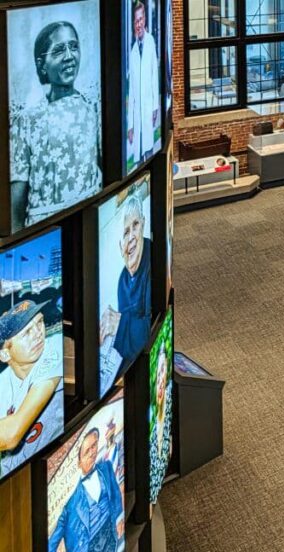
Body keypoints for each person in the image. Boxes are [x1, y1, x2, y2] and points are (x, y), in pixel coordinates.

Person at [10, 20, 102, 231]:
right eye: (59, 50)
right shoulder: (27, 120)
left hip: (89, 222)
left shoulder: (92, 109)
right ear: (42, 64)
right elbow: (16, 204)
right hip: (46, 230)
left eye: (74, 46)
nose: (69, 56)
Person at [0, 300, 63, 476]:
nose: (38, 334)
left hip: (50, 465)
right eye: (27, 332)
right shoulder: (2, 383)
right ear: (5, 353)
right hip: (13, 480)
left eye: (40, 322)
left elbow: (12, 433)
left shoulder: (53, 349)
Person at [100, 192, 152, 393]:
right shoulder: (123, 279)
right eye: (125, 232)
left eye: (135, 226)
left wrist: (119, 324)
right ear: (120, 246)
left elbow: (150, 329)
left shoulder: (153, 258)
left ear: (144, 224)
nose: (131, 237)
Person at [126, 0, 160, 167]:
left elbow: (154, 75)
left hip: (148, 107)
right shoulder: (132, 52)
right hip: (137, 111)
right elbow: (131, 91)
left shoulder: (151, 42)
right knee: (138, 158)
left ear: (145, 19)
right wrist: (130, 124)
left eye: (141, 20)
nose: (138, 24)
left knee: (149, 149)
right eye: (135, 21)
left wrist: (155, 106)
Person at [149, 344, 172, 500]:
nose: (161, 379)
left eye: (164, 371)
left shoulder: (169, 399)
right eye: (159, 373)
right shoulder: (150, 418)